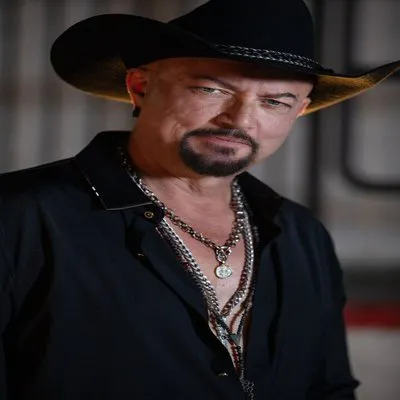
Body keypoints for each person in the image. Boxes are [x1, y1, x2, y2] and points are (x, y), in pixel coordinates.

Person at [0, 0, 398, 399]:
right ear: (141, 87)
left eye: (275, 102)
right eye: (211, 89)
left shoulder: (302, 234)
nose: (240, 120)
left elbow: (328, 389)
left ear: (299, 111)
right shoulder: (19, 216)